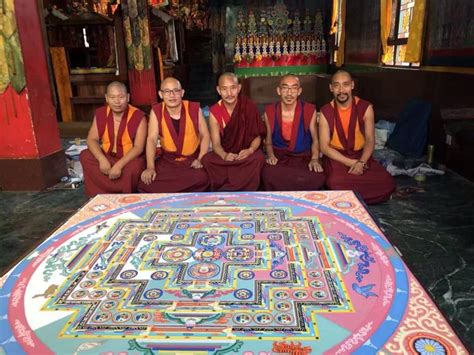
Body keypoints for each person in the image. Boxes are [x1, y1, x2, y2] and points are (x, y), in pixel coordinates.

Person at [319, 70, 396, 204]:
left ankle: (348, 199)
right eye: (337, 85)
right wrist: (349, 162)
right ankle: (364, 197)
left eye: (346, 85)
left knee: (387, 182)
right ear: (331, 88)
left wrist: (361, 162)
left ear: (352, 86)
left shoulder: (365, 107)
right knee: (334, 182)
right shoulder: (326, 111)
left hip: (361, 156)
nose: (341, 90)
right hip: (337, 157)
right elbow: (324, 147)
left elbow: (370, 139)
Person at [138, 77, 210, 193]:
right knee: (146, 183)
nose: (172, 95)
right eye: (167, 91)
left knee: (202, 178)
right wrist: (150, 167)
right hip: (168, 161)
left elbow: (205, 135)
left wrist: (200, 159)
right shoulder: (156, 111)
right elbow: (151, 139)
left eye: (176, 91)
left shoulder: (194, 109)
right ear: (161, 95)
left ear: (182, 93)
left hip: (191, 160)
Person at [80, 82, 147, 197]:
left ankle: (122, 194)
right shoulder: (101, 113)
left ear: (128, 97)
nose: (117, 101)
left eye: (121, 97)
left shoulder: (138, 116)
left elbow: (138, 147)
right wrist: (102, 159)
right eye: (112, 97)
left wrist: (119, 165)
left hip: (128, 160)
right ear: (106, 98)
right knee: (85, 155)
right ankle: (99, 194)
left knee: (136, 166)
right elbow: (91, 139)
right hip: (107, 157)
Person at [201, 72, 265, 191]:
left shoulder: (248, 106)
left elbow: (257, 136)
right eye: (224, 89)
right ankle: (232, 185)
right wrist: (224, 155)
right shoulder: (215, 112)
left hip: (245, 154)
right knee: (207, 160)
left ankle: (234, 186)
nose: (229, 94)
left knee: (258, 158)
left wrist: (250, 150)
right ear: (218, 90)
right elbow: (216, 144)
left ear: (239, 88)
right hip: (225, 154)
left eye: (233, 88)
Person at [261, 74, 325, 191]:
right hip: (280, 159)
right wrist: (271, 155)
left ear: (299, 91)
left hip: (303, 158)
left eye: (294, 88)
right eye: (285, 88)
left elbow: (315, 140)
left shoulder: (309, 110)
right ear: (279, 91)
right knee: (268, 174)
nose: (289, 93)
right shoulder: (270, 111)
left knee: (317, 177)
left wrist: (315, 159)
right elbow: (268, 141)